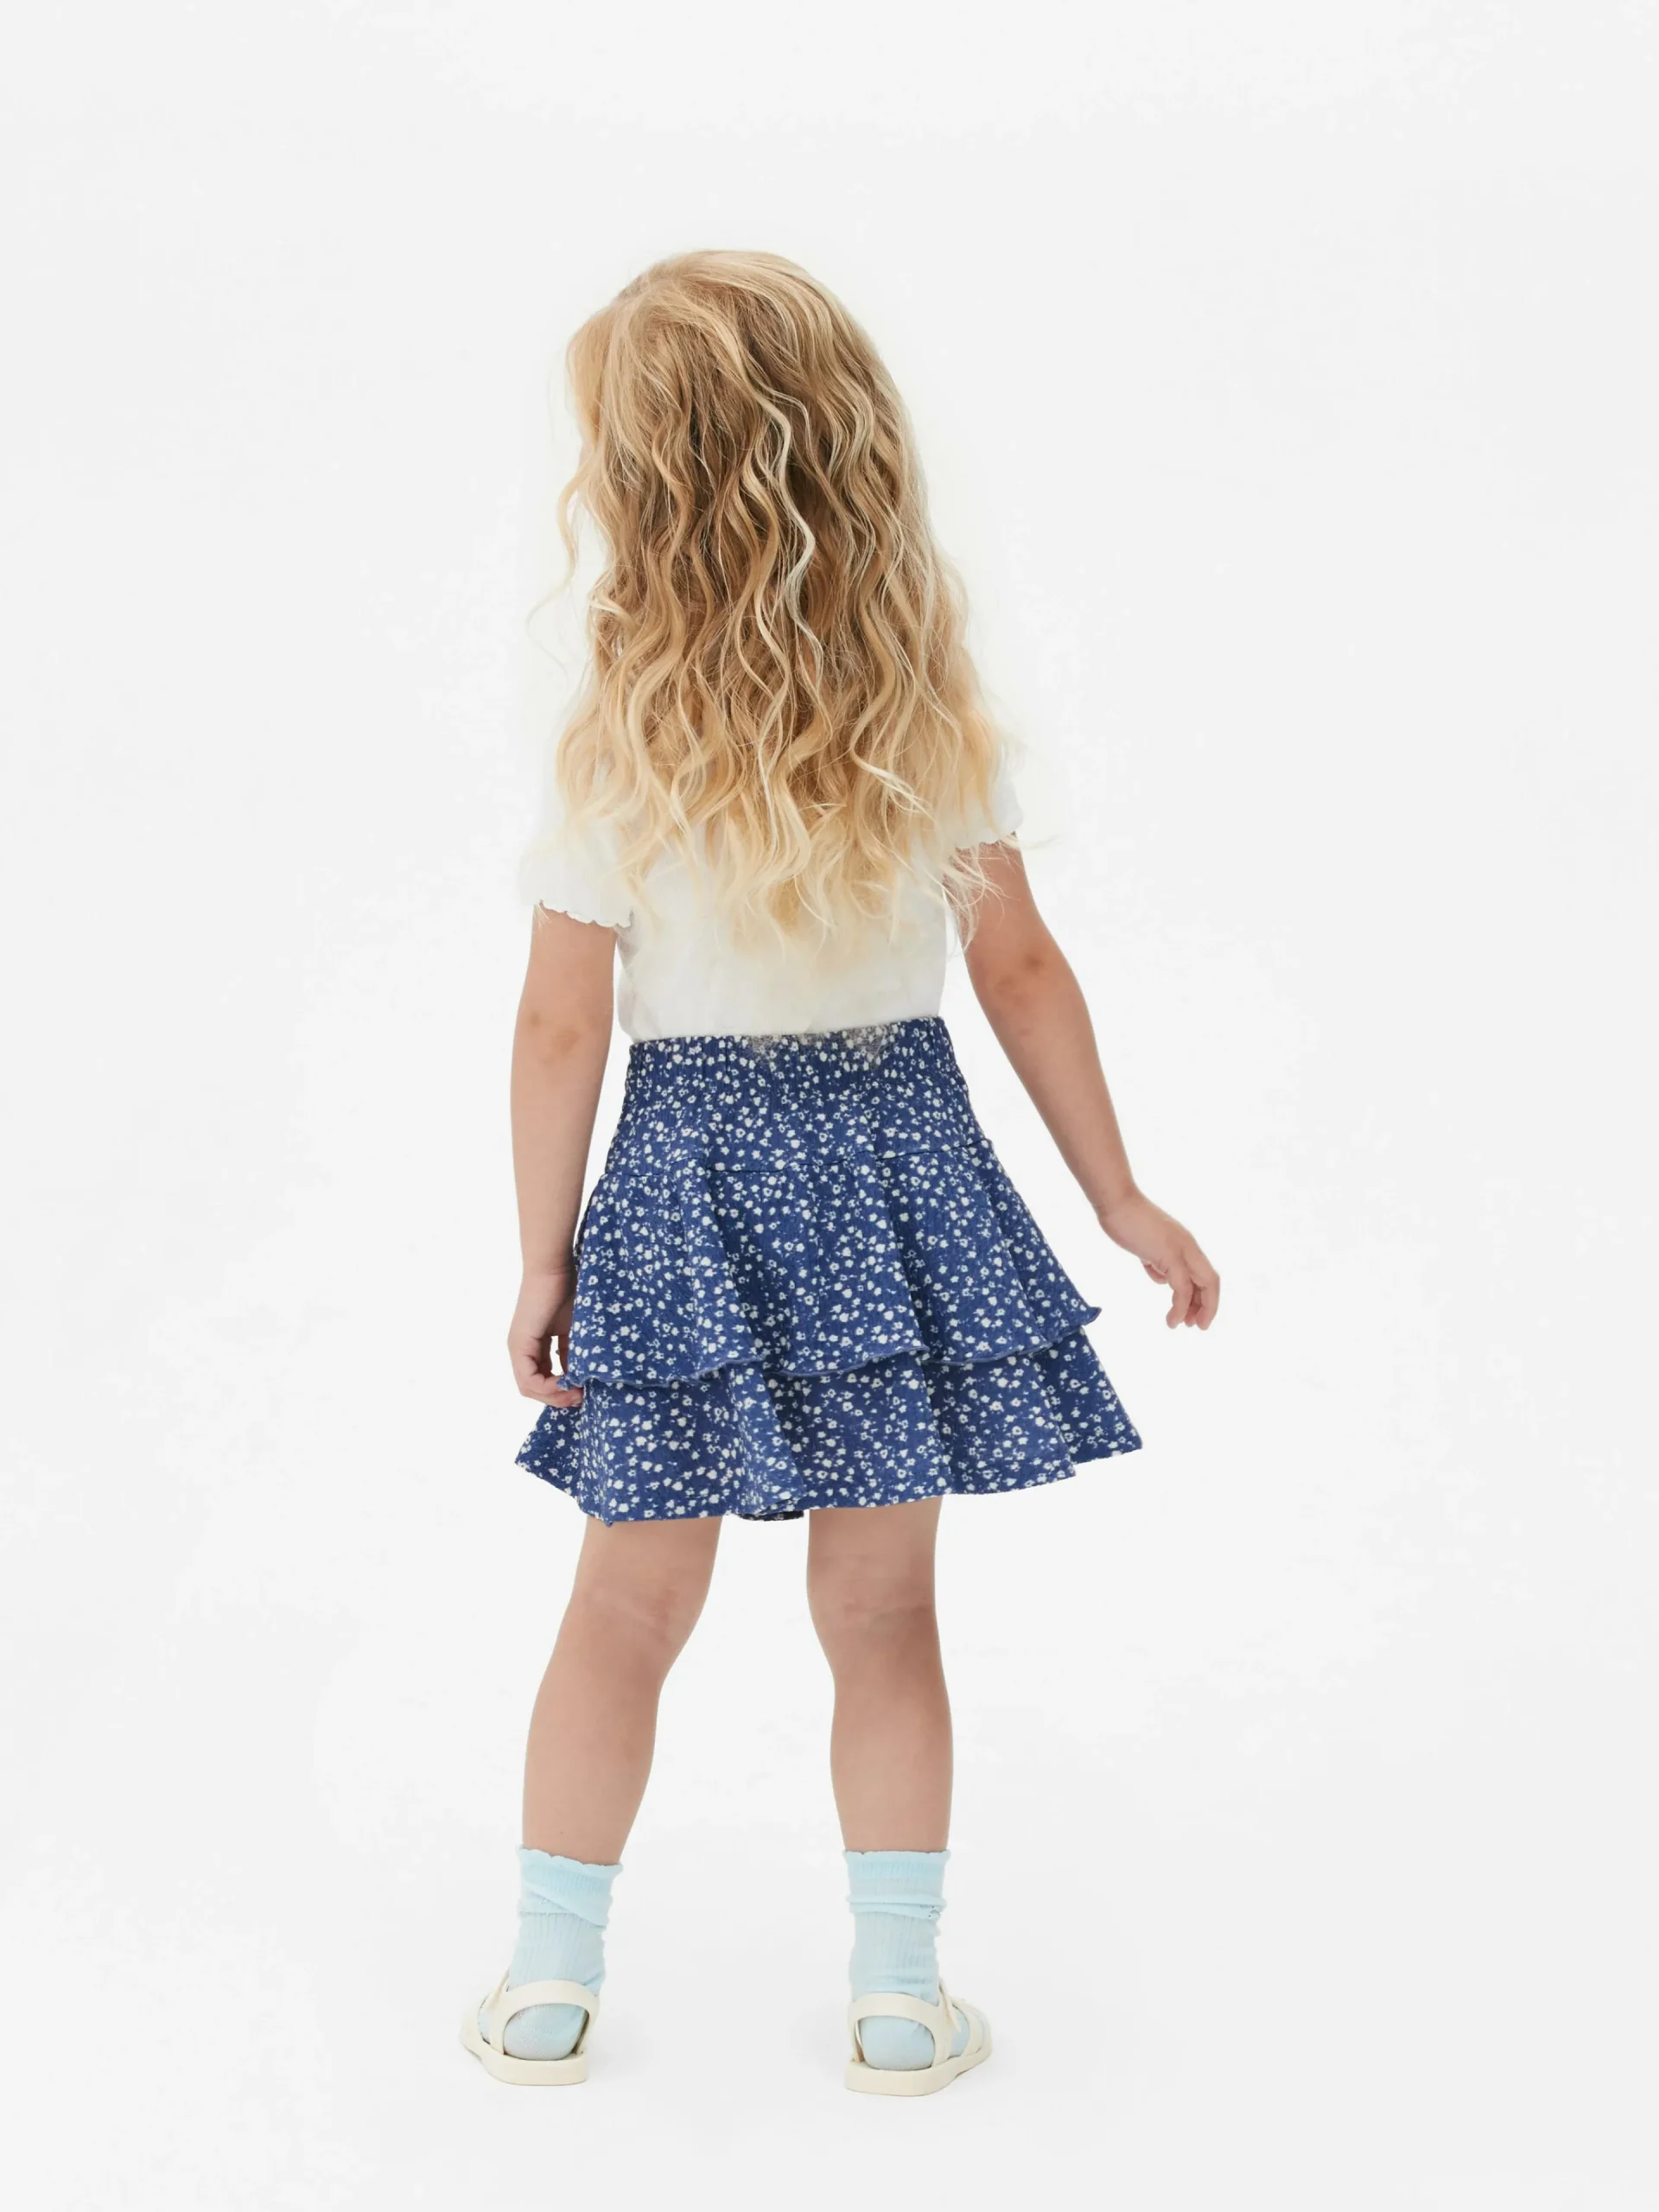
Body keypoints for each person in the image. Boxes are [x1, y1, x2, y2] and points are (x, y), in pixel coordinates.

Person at [461, 251, 1219, 2097]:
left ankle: (549, 1983)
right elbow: (1019, 969)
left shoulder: (619, 740)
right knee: (884, 1616)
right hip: (901, 1185)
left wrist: (544, 1254)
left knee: (622, 1612)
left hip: (687, 1202)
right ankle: (897, 1996)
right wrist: (1117, 1194)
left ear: (640, 482)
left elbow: (561, 1026)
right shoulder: (926, 717)